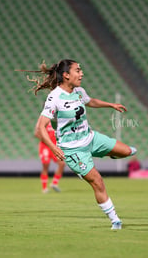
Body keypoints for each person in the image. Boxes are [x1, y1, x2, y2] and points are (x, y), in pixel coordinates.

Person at [28, 59, 137, 230]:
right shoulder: (54, 97)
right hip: (73, 150)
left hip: (91, 138)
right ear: (66, 75)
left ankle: (100, 157)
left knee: (128, 151)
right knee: (98, 181)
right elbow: (41, 127)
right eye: (77, 70)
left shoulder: (78, 91)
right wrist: (54, 147)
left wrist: (111, 105)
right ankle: (115, 220)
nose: (81, 73)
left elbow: (90, 101)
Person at [39, 122, 66, 193]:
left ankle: (54, 183)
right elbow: (37, 133)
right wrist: (46, 140)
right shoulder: (44, 121)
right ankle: (44, 188)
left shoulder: (58, 122)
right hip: (45, 147)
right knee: (46, 165)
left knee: (62, 164)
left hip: (54, 147)